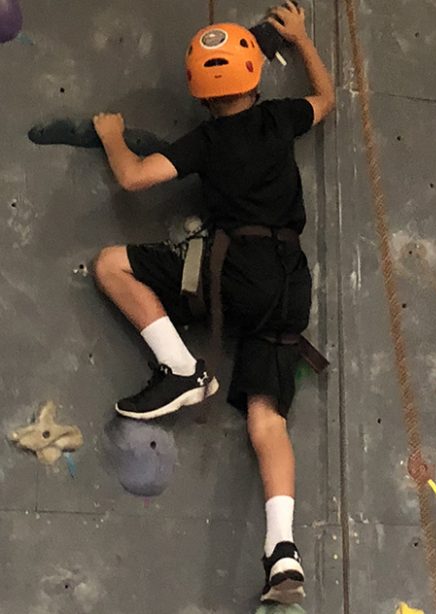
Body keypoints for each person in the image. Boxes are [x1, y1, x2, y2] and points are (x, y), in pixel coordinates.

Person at [90, 2, 334, 605]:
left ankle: (178, 368)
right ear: (255, 76)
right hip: (289, 285)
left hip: (232, 275)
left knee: (111, 263)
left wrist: (113, 138)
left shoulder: (207, 139)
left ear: (200, 92)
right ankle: (283, 551)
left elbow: (136, 178)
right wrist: (301, 39)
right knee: (266, 420)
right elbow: (327, 97)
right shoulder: (280, 119)